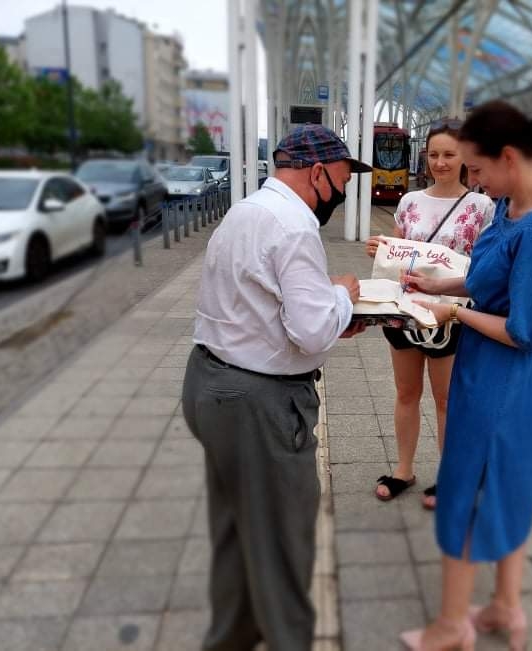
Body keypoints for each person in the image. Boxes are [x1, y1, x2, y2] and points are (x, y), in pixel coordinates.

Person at [399, 100, 532, 651]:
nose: (473, 181)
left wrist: (454, 314)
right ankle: (505, 607)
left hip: (507, 381)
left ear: (507, 156)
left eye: (476, 169)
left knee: (465, 490)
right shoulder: (512, 202)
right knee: (507, 489)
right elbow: (490, 278)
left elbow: (525, 330)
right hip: (499, 373)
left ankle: (452, 626)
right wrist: (442, 286)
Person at [182, 124, 370, 651]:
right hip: (257, 405)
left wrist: (329, 310)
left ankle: (232, 638)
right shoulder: (295, 226)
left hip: (210, 384)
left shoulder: (247, 210)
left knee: (236, 534)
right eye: (342, 180)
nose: (343, 191)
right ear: (318, 173)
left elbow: (261, 304)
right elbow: (311, 331)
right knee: (283, 546)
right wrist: (344, 296)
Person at [365, 118, 494, 509]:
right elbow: (398, 258)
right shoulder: (409, 202)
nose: (440, 163)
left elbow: (483, 267)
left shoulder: (481, 206)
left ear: (464, 156)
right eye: (434, 154)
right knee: (406, 392)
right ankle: (404, 469)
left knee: (446, 400)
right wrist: (381, 253)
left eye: (449, 154)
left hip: (449, 314)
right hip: (405, 311)